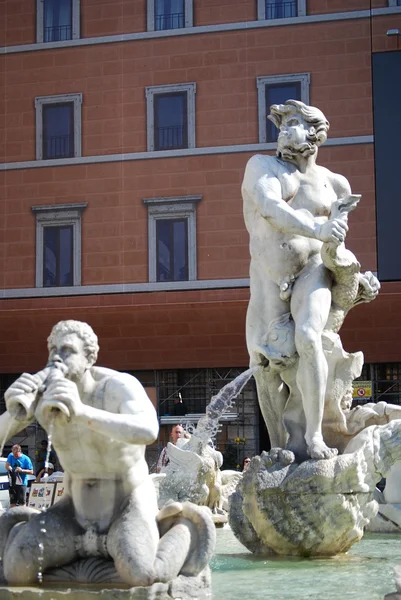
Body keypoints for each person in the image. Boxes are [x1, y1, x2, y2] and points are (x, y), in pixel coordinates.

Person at [0, 320, 203, 586]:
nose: (57, 357)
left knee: (142, 574)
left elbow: (148, 430)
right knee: (15, 571)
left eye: (68, 350)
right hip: (74, 511)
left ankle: (181, 530)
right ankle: (80, 564)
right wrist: (12, 412)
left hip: (126, 504)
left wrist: (83, 413)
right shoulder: (45, 397)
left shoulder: (116, 386)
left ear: (89, 357)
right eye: (53, 350)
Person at [242, 99, 354, 461]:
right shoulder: (262, 167)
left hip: (313, 272)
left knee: (309, 337)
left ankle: (315, 435)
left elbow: (336, 243)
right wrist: (319, 226)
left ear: (315, 132)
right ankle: (277, 446)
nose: (283, 130)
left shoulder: (335, 184)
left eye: (292, 122)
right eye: (281, 124)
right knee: (263, 366)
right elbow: (271, 208)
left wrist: (352, 273)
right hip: (268, 278)